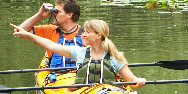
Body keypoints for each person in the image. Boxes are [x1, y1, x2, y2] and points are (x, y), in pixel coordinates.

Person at [11, 18, 146, 87]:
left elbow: (131, 80)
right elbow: (51, 45)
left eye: (87, 32)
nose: (84, 35)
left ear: (98, 35)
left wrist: (139, 81)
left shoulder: (115, 57)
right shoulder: (79, 52)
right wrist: (29, 35)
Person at [17, 0, 85, 70]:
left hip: (79, 77)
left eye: (57, 12)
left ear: (69, 14)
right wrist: (39, 15)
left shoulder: (87, 33)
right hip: (57, 78)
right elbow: (19, 31)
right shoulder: (50, 30)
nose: (53, 14)